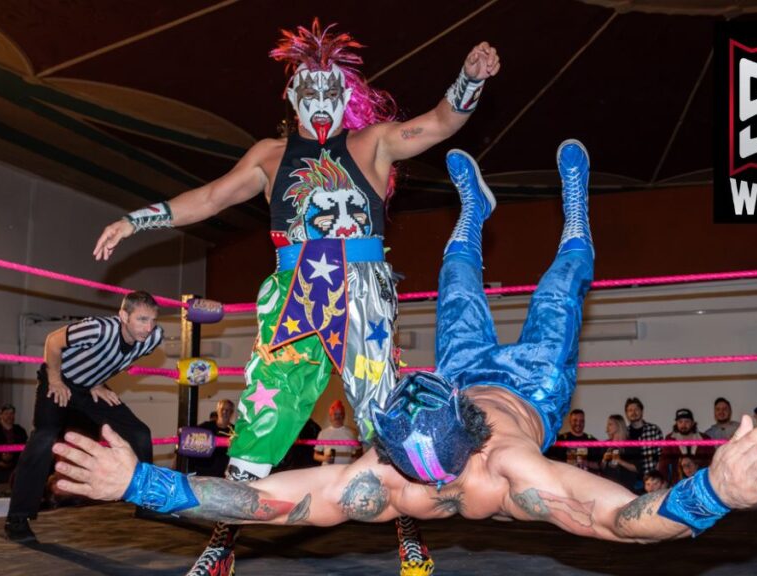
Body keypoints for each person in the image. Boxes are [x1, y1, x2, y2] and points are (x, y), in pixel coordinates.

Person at [55, 141, 757, 549]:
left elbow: (260, 502)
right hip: (532, 387)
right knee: (558, 287)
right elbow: (619, 520)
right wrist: (714, 495)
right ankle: (574, 215)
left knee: (455, 277)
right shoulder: (499, 472)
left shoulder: (390, 480)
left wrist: (141, 485)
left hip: (471, 367)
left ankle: (475, 208)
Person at [91, 20, 499, 576]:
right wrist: (137, 220)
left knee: (386, 420)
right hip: (294, 293)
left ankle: (407, 531)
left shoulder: (372, 142)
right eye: (308, 88)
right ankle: (222, 544)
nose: (320, 99)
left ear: (345, 92)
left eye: (331, 87)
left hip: (361, 291)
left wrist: (468, 79)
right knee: (261, 418)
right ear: (291, 95)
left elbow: (438, 124)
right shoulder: (269, 156)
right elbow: (210, 198)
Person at [3, 291, 163, 543]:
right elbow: (53, 342)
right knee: (44, 438)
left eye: (153, 320)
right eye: (142, 320)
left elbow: (116, 359)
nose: (149, 327)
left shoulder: (153, 338)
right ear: (123, 315)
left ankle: (145, 502)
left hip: (90, 388)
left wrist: (98, 382)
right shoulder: (97, 329)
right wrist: (55, 380)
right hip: (59, 380)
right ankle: (17, 518)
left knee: (139, 433)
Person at [657, 408, 714, 484]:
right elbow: (664, 463)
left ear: (693, 423)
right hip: (678, 483)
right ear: (676, 423)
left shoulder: (705, 439)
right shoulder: (670, 439)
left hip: (701, 482)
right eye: (680, 422)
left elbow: (712, 461)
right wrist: (663, 482)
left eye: (687, 421)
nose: (683, 425)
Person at [191, 399, 236, 477]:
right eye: (222, 409)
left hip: (222, 475)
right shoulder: (205, 427)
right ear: (217, 410)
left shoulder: (235, 431)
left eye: (228, 410)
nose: (224, 412)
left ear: (231, 413)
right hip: (203, 472)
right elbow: (190, 439)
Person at [598, 414, 641, 492]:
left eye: (610, 424)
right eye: (607, 424)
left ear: (618, 425)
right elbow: (601, 468)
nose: (607, 427)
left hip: (626, 487)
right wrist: (604, 460)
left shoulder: (631, 444)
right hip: (609, 487)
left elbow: (636, 468)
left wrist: (619, 461)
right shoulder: (606, 444)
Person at [314, 401, 360, 466]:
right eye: (335, 414)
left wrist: (354, 460)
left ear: (343, 416)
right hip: (327, 471)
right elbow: (315, 455)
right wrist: (324, 458)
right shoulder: (323, 433)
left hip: (345, 471)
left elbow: (359, 452)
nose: (337, 417)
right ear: (330, 416)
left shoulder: (352, 433)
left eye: (340, 414)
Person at [624, 397, 662, 476]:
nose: (633, 412)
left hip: (651, 478)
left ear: (642, 411)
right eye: (630, 410)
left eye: (636, 409)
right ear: (626, 414)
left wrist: (656, 475)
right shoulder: (624, 433)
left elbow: (661, 455)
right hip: (631, 479)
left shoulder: (654, 429)